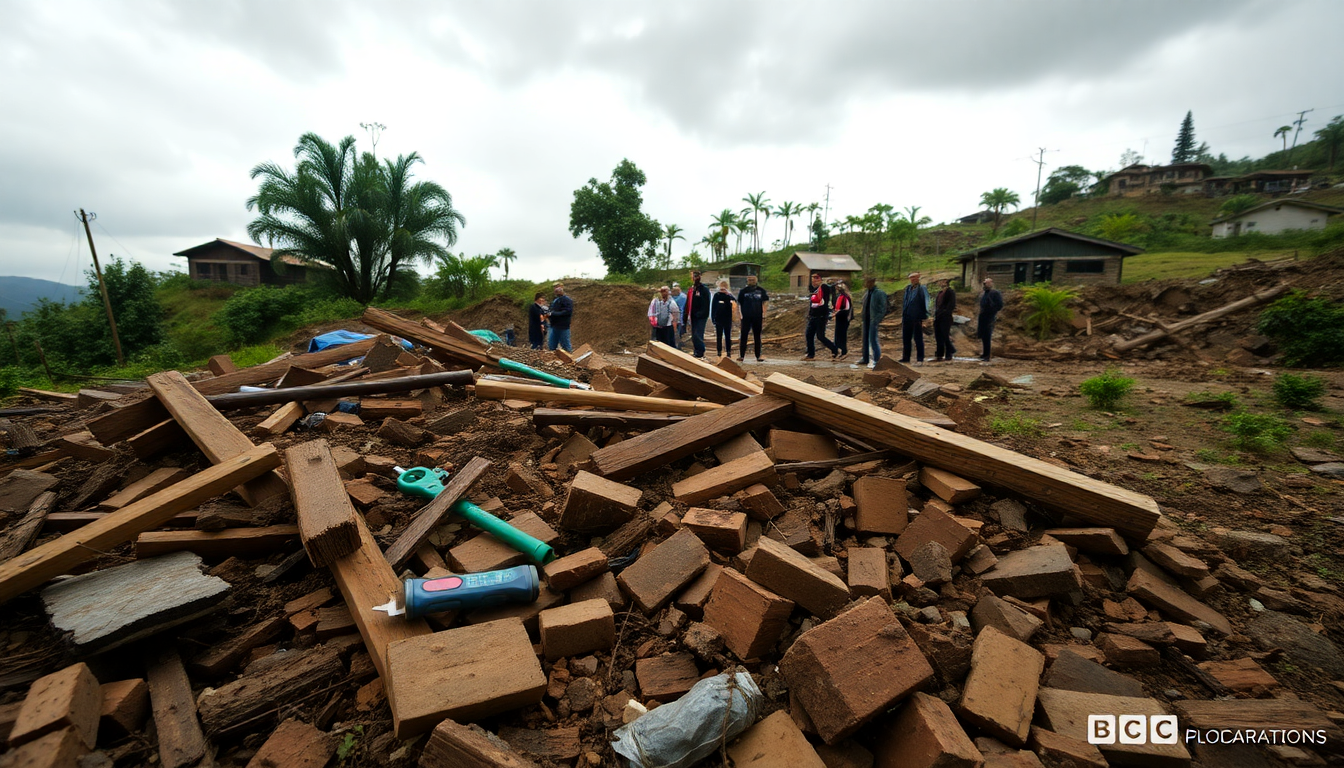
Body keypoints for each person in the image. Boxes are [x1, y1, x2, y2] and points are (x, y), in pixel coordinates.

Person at [803, 272, 838, 361]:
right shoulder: (814, 290)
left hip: (821, 316)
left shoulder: (823, 287)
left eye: (816, 278)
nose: (814, 281)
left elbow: (829, 290)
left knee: (820, 336)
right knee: (809, 335)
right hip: (813, 316)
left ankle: (834, 349)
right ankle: (810, 354)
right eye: (813, 279)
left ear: (821, 279)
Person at [737, 273, 769, 362]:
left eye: (753, 279)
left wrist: (764, 314)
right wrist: (740, 315)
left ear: (756, 280)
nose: (751, 281)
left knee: (757, 336)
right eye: (750, 279)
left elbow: (765, 302)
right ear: (747, 280)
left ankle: (758, 355)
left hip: (757, 316)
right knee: (744, 336)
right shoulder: (743, 291)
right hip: (746, 317)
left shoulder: (761, 291)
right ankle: (741, 355)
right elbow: (739, 304)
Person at [856, 275, 887, 367]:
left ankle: (877, 359)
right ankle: (865, 358)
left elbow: (883, 308)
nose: (866, 284)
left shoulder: (879, 293)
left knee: (873, 340)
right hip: (866, 319)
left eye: (867, 282)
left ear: (872, 282)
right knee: (865, 340)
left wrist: (877, 319)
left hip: (873, 319)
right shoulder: (867, 293)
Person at [899, 272, 930, 364]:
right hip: (907, 317)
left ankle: (920, 358)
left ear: (918, 278)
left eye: (915, 278)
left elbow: (927, 302)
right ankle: (906, 357)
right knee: (906, 338)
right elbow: (905, 302)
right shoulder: (908, 288)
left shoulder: (922, 288)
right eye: (911, 278)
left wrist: (926, 315)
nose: (913, 279)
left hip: (917, 317)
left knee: (918, 338)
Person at [682, 270, 711, 358]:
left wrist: (701, 313)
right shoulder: (692, 289)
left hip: (701, 316)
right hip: (693, 316)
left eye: (695, 276)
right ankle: (696, 351)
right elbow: (688, 303)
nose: (693, 278)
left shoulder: (704, 289)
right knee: (694, 334)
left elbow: (706, 303)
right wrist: (685, 315)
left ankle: (700, 352)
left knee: (698, 334)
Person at [977, 277, 1005, 362]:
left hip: (989, 316)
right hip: (983, 316)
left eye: (986, 283)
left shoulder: (995, 293)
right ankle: (984, 353)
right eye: (984, 283)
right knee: (983, 335)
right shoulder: (985, 293)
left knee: (987, 335)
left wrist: (992, 311)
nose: (984, 285)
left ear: (991, 284)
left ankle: (987, 355)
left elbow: (999, 305)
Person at [710, 279, 737, 358]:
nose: (723, 289)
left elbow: (734, 301)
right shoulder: (717, 295)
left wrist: (728, 294)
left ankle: (728, 351)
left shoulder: (729, 295)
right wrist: (713, 318)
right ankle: (719, 351)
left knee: (728, 336)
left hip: (727, 318)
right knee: (719, 336)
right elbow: (713, 307)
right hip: (718, 318)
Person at [933, 277, 958, 362]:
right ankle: (939, 354)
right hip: (938, 317)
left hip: (945, 317)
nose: (939, 283)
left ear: (945, 282)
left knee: (945, 335)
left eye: (940, 281)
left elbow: (951, 305)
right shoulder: (940, 293)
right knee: (938, 336)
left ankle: (949, 352)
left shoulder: (950, 292)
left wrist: (945, 312)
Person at [547, 283, 573, 352]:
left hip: (563, 327)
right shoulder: (555, 300)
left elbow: (567, 312)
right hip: (554, 326)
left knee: (566, 346)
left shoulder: (567, 300)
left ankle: (571, 360)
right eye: (555, 287)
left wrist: (553, 314)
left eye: (558, 287)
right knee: (551, 346)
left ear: (562, 288)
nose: (556, 289)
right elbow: (551, 310)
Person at [832, 281, 854, 360]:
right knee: (838, 334)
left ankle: (844, 351)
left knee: (842, 335)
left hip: (844, 319)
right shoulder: (840, 296)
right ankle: (838, 350)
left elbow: (846, 309)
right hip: (839, 318)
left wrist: (837, 313)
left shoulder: (845, 297)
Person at [670, 282, 687, 349]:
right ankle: (677, 346)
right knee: (677, 333)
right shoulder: (683, 297)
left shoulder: (672, 299)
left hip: (675, 318)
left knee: (674, 333)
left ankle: (675, 346)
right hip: (679, 317)